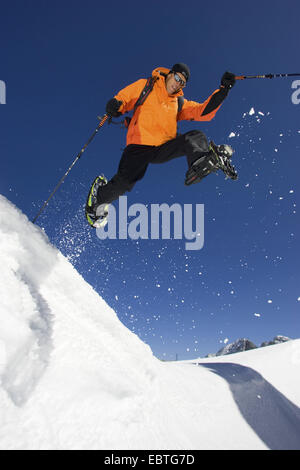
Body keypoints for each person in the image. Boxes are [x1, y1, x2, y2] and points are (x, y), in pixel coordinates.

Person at [85, 63, 236, 228]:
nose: (178, 83)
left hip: (163, 146)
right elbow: (126, 97)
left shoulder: (178, 102)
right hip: (140, 144)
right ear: (170, 74)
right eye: (177, 78)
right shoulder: (147, 85)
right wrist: (116, 104)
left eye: (182, 83)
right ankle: (99, 198)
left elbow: (202, 111)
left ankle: (200, 162)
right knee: (124, 184)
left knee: (195, 137)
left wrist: (223, 91)